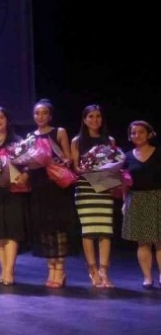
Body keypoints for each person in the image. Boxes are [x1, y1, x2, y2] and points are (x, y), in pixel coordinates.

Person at [27, 99, 75, 288]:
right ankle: (50, 269)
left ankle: (60, 270)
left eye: (44, 113)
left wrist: (58, 161)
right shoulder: (31, 136)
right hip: (39, 186)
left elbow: (68, 158)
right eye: (37, 113)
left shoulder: (59, 132)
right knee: (45, 229)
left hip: (56, 185)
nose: (40, 116)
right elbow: (28, 162)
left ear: (50, 115)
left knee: (58, 228)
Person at [70, 104, 116, 287]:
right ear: (84, 119)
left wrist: (106, 169)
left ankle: (104, 270)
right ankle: (92, 270)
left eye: (98, 116)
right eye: (91, 116)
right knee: (88, 231)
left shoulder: (109, 140)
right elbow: (75, 167)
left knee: (105, 230)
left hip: (104, 186)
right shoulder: (77, 141)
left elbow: (115, 163)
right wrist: (86, 168)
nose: (95, 120)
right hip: (85, 187)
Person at [0, 107, 28, 286]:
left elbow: (27, 163)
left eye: (1, 117)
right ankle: (3, 269)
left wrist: (25, 175)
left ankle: (10, 270)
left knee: (12, 230)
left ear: (8, 120)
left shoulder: (17, 141)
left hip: (13, 191)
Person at [122, 120, 161, 289]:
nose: (137, 135)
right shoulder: (126, 157)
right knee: (143, 242)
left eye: (141, 132)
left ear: (149, 134)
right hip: (137, 199)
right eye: (133, 133)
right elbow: (124, 182)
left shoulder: (158, 153)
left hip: (157, 197)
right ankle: (147, 278)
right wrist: (125, 202)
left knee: (159, 240)